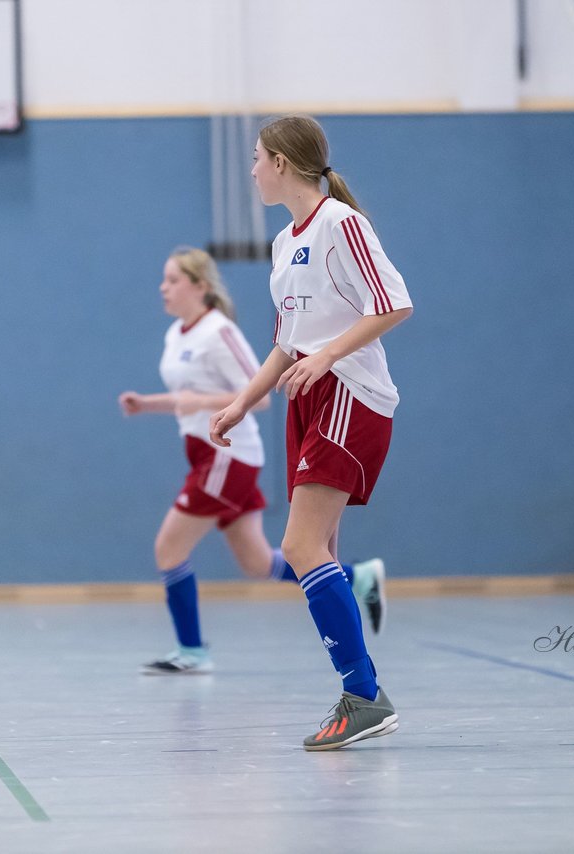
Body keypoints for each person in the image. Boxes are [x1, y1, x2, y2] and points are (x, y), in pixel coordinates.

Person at [210, 115, 412, 751]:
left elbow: (395, 303)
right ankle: (361, 694)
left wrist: (324, 358)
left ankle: (364, 695)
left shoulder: (341, 225)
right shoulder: (282, 244)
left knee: (298, 546)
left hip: (349, 394)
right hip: (305, 395)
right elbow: (284, 342)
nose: (250, 171)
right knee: (315, 552)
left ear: (282, 163)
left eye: (256, 158)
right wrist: (244, 400)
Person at [119, 247, 385, 676]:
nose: (162, 288)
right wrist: (148, 404)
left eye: (172, 280)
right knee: (257, 562)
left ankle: (192, 651)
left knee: (168, 547)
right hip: (204, 452)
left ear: (200, 286)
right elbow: (189, 399)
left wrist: (197, 404)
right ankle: (360, 577)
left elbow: (254, 396)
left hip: (227, 457)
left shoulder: (218, 331)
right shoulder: (177, 334)